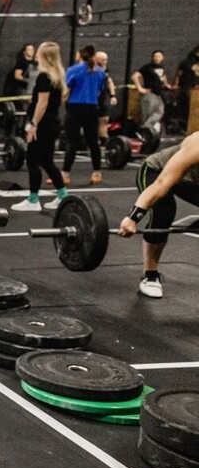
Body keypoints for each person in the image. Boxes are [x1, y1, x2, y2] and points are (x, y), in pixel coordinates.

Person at [119, 132, 199, 298]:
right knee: (163, 210)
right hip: (156, 172)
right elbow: (162, 183)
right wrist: (133, 217)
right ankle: (150, 274)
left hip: (191, 182)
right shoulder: (197, 144)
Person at [12, 42, 68, 212]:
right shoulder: (57, 75)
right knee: (46, 160)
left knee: (32, 160)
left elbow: (43, 103)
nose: (36, 55)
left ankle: (33, 200)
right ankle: (62, 196)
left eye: (39, 53)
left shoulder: (44, 76)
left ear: (44, 56)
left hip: (43, 124)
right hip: (53, 122)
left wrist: (34, 124)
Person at [62, 44, 107, 185]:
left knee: (72, 142)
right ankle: (97, 173)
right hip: (92, 108)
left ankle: (65, 175)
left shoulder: (73, 70)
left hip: (75, 108)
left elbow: (66, 91)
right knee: (94, 142)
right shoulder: (100, 72)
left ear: (80, 55)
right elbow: (99, 90)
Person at [132, 50, 168, 135]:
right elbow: (135, 76)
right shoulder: (147, 67)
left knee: (160, 111)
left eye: (159, 56)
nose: (157, 58)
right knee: (148, 114)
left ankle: (146, 128)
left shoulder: (161, 68)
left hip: (158, 94)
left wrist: (165, 83)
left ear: (162, 58)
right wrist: (140, 88)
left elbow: (162, 78)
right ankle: (145, 132)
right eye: (155, 56)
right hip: (149, 94)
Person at [93, 51, 119, 144]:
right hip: (90, 100)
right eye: (103, 60)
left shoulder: (104, 70)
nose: (105, 62)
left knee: (104, 119)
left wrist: (113, 95)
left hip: (102, 99)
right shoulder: (90, 69)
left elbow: (109, 81)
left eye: (106, 60)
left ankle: (103, 142)